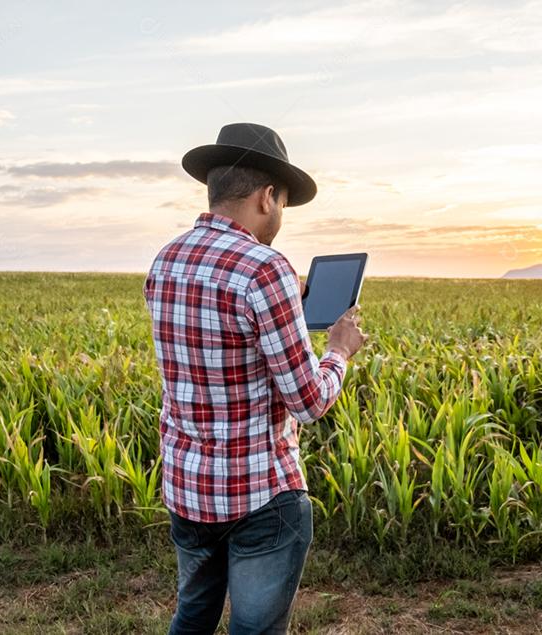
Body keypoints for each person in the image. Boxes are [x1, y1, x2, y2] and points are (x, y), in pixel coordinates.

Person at [143, 122, 368, 634]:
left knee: (193, 616)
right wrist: (338, 352)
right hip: (259, 496)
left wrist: (287, 304)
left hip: (187, 487)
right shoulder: (264, 269)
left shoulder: (166, 259)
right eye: (283, 204)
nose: (280, 217)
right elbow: (308, 401)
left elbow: (213, 344)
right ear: (268, 197)